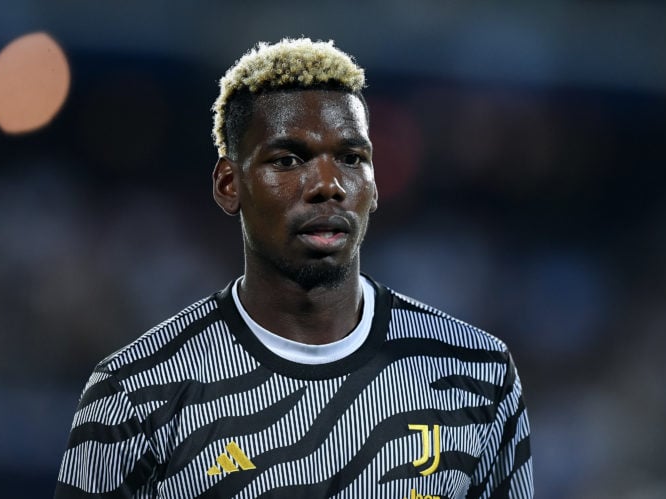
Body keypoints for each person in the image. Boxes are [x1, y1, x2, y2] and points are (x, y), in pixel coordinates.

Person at [55, 38, 533, 498]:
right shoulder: (135, 394)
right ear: (228, 184)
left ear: (374, 183)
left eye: (350, 158)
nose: (328, 184)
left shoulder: (477, 375)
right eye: (288, 159)